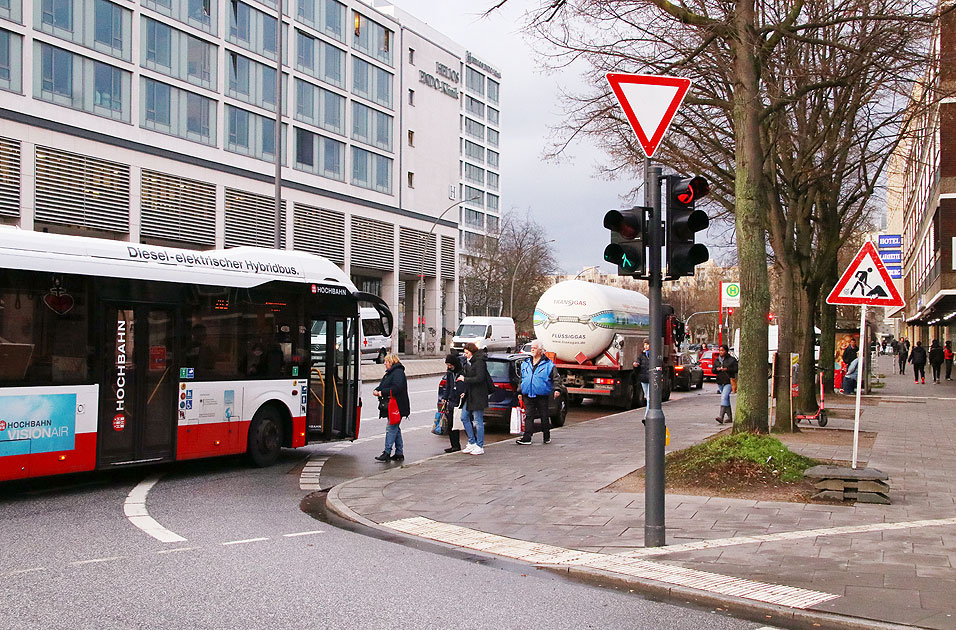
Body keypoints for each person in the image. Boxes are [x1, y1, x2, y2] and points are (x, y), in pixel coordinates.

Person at [516, 339, 561, 445]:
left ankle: (546, 436)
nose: (532, 350)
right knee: (529, 416)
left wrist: (557, 389)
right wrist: (519, 392)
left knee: (544, 416)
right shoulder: (525, 363)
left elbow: (556, 378)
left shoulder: (548, 364)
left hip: (541, 394)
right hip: (527, 393)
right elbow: (522, 378)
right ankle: (527, 437)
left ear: (540, 350)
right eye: (531, 348)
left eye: (534, 348)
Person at [373, 354, 409, 462]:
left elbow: (396, 388)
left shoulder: (398, 373)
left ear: (392, 362)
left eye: (386, 362)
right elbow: (383, 385)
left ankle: (387, 452)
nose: (384, 363)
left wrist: (381, 392)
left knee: (391, 428)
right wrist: (376, 389)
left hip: (397, 405)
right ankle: (399, 453)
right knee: (395, 429)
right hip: (393, 406)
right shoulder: (391, 373)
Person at [457, 342, 490, 455]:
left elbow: (480, 378)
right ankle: (472, 442)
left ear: (472, 352)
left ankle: (479, 445)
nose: (465, 355)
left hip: (478, 395)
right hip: (470, 394)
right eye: (464, 353)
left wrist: (464, 379)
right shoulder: (469, 362)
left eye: (467, 353)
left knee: (478, 420)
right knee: (464, 417)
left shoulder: (479, 362)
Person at [438, 354, 465, 453]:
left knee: (457, 423)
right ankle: (454, 445)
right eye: (448, 365)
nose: (449, 367)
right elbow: (448, 386)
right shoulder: (450, 373)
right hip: (451, 400)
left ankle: (458, 445)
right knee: (450, 425)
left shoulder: (461, 372)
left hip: (459, 400)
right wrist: (445, 397)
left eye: (450, 365)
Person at [713, 344, 738, 424]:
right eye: (720, 350)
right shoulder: (717, 360)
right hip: (720, 381)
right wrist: (717, 369)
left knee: (724, 397)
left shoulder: (732, 360)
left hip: (729, 381)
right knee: (726, 398)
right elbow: (713, 370)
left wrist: (727, 369)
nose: (721, 352)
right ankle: (730, 417)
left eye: (723, 350)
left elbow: (736, 369)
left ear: (726, 351)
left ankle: (721, 416)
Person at [634, 340, 651, 418]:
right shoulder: (641, 355)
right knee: (647, 397)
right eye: (645, 345)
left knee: (649, 399)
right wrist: (636, 365)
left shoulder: (654, 355)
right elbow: (638, 365)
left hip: (651, 379)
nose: (646, 346)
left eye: (647, 344)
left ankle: (646, 416)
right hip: (643, 379)